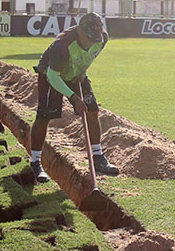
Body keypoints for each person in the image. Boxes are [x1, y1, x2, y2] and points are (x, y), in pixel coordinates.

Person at [30, 12, 119, 182]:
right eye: (88, 38)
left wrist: (82, 71)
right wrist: (73, 97)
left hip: (76, 73)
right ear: (79, 30)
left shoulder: (101, 39)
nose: (91, 43)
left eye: (94, 39)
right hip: (51, 74)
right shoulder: (62, 45)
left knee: (92, 111)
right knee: (44, 116)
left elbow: (89, 56)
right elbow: (53, 77)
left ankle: (98, 157)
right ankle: (35, 161)